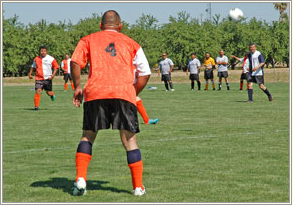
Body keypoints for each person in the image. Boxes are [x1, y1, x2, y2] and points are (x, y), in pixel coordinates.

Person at [70, 10, 151, 196]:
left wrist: (77, 87)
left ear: (101, 25)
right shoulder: (131, 43)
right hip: (123, 93)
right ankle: (138, 187)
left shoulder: (88, 39)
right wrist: (132, 92)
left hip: (95, 92)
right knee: (130, 140)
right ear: (120, 26)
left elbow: (75, 62)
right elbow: (145, 72)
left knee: (88, 135)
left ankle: (81, 179)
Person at [29, 46, 59, 110]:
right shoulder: (36, 59)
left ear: (46, 51)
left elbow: (56, 67)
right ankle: (36, 107)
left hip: (48, 79)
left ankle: (52, 95)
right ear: (39, 51)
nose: (43, 52)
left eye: (44, 51)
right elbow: (33, 67)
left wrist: (53, 75)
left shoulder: (51, 58)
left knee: (49, 93)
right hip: (39, 78)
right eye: (41, 51)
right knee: (38, 91)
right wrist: (30, 74)